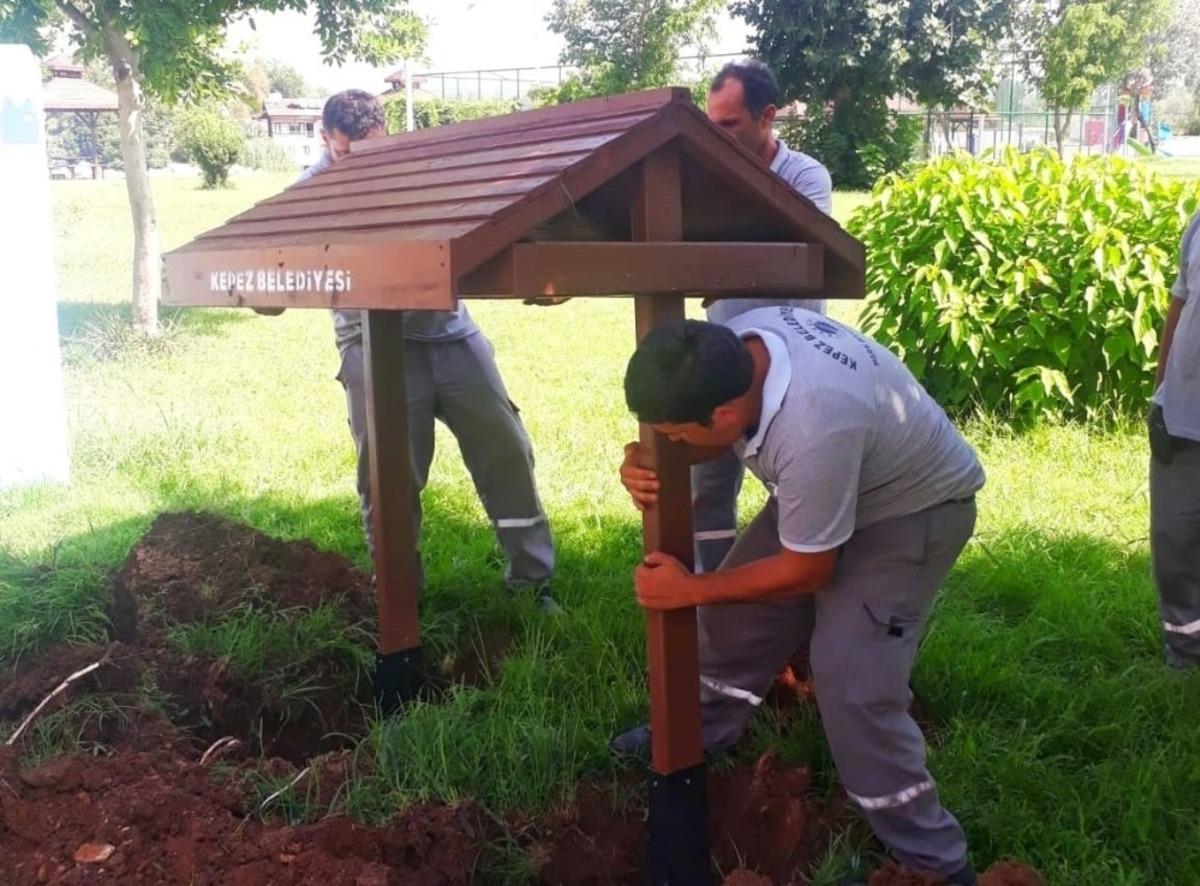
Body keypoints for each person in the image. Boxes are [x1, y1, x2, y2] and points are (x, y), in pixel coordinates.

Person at [616, 308, 986, 884]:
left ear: (725, 413)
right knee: (735, 623)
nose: (669, 447)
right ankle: (700, 732)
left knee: (853, 685)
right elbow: (713, 440)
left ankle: (935, 862)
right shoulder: (737, 348)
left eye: (676, 436)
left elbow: (807, 570)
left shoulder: (815, 425)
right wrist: (640, 464)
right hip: (837, 482)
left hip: (912, 513)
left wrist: (689, 590)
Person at [291, 90, 557, 609]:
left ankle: (533, 582)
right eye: (349, 153)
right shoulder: (308, 193)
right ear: (326, 139)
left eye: (374, 150)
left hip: (451, 332)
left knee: (507, 448)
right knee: (387, 474)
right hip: (371, 343)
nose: (364, 164)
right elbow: (275, 264)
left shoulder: (417, 170)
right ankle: (398, 595)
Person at [693, 60, 834, 574]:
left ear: (767, 117)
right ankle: (711, 586)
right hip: (721, 357)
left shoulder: (805, 175)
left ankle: (800, 587)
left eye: (728, 126)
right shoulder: (705, 178)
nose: (717, 140)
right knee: (705, 486)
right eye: (710, 127)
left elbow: (794, 255)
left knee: (794, 480)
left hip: (790, 367)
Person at [1150, 210, 1200, 667]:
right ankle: (1185, 652)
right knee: (1174, 541)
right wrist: (1160, 392)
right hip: (1182, 417)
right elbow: (1179, 305)